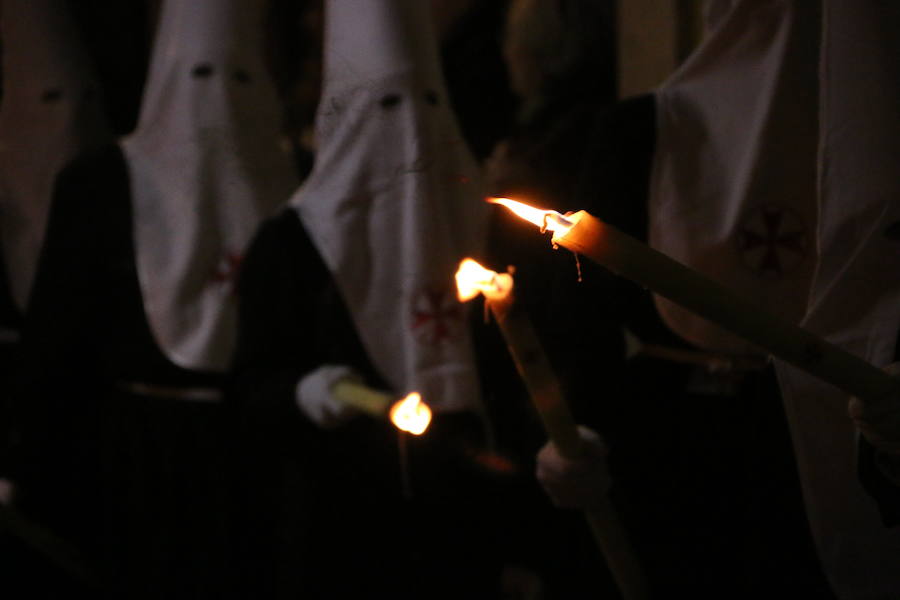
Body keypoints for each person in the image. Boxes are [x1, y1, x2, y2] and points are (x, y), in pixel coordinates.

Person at [537, 1, 900, 598]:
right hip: (671, 448)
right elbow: (583, 325)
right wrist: (574, 430)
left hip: (833, 439)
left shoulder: (875, 135)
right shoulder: (639, 130)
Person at [229, 1, 521, 597]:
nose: (410, 133)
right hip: (340, 518)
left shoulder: (483, 234)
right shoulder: (292, 243)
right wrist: (304, 391)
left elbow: (521, 374)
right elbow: (251, 387)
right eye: (387, 109)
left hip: (465, 512)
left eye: (426, 108)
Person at [16, 0, 297, 596]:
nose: (215, 107)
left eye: (236, 80)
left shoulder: (296, 180)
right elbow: (58, 341)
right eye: (198, 79)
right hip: (130, 464)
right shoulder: (100, 184)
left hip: (251, 463)